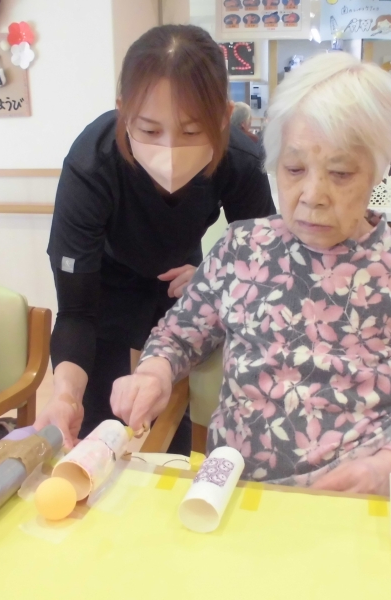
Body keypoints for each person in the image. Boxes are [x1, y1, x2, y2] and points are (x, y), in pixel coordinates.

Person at [111, 52, 391, 494]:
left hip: (353, 502)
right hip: (232, 493)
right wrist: (154, 372)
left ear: (377, 171)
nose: (312, 195)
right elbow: (178, 336)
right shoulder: (242, 248)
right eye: (294, 169)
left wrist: (387, 464)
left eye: (340, 173)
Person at [35, 25, 275, 452]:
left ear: (224, 117)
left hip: (180, 277)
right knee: (94, 420)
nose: (169, 151)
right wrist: (64, 394)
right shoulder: (92, 164)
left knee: (172, 413)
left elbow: (265, 263)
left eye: (192, 132)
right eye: (148, 130)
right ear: (123, 111)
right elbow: (76, 312)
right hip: (105, 279)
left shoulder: (240, 160)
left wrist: (213, 276)